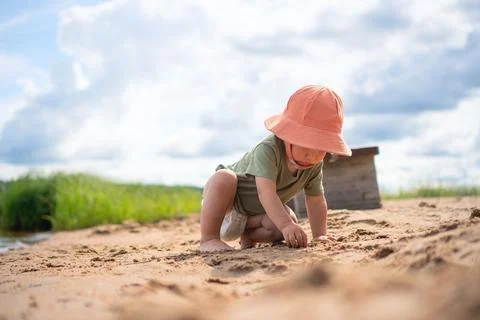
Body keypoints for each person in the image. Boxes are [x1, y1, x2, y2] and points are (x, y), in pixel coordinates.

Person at [199, 85, 352, 252]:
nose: (313, 156)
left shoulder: (314, 166)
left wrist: (319, 235)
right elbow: (266, 193)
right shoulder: (268, 150)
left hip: (254, 217)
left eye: (321, 147)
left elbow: (315, 200)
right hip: (226, 210)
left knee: (288, 224)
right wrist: (286, 224)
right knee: (224, 177)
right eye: (307, 145)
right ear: (288, 135)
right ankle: (209, 238)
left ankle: (249, 236)